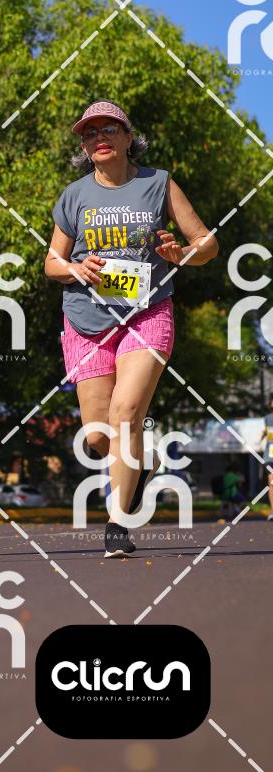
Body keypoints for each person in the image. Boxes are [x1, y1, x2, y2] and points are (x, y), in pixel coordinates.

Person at [45, 99, 218, 558]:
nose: (98, 138)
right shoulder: (74, 195)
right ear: (84, 147)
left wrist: (183, 254)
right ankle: (142, 463)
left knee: (126, 414)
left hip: (146, 313)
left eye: (108, 130)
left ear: (127, 137)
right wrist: (75, 267)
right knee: (99, 436)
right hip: (86, 321)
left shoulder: (158, 183)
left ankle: (118, 522)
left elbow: (208, 243)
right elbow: (51, 263)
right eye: (89, 133)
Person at [259, 394, 273, 521]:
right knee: (271, 481)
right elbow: (268, 433)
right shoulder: (267, 418)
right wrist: (261, 438)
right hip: (270, 455)